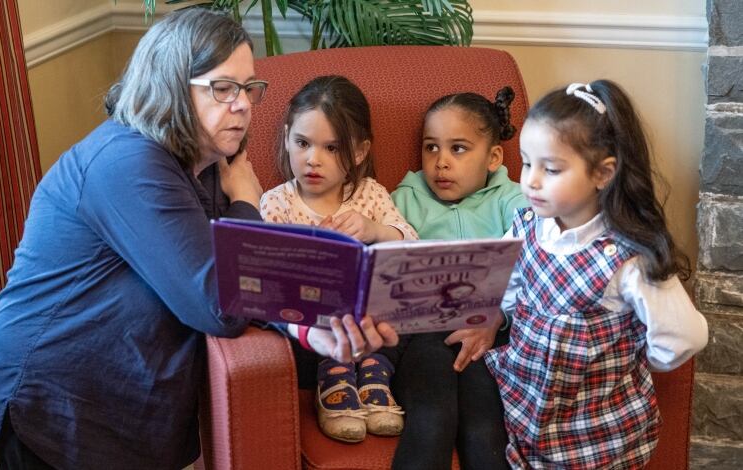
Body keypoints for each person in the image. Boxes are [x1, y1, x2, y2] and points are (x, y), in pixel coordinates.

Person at [0, 10, 395, 470]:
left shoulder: (210, 160)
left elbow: (245, 282)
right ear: (171, 84)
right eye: (222, 88)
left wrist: (311, 327)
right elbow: (220, 301)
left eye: (249, 88)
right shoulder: (128, 162)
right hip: (49, 415)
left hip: (119, 412)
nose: (243, 105)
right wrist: (247, 202)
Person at [485, 80, 709, 469]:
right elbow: (505, 286)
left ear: (603, 174)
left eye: (551, 168)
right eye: (525, 163)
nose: (531, 181)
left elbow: (685, 336)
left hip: (596, 429)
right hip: (529, 405)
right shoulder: (528, 225)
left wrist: (638, 360)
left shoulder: (626, 257)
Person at [261, 75, 417, 443]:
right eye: (302, 143)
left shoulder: (369, 195)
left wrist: (375, 230)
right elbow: (269, 279)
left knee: (408, 317)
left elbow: (410, 244)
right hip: (315, 331)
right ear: (287, 138)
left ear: (360, 152)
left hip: (373, 325)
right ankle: (336, 379)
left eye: (332, 148)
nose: (313, 159)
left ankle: (376, 375)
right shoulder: (276, 203)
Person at [388, 88, 526, 470]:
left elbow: (536, 270)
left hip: (491, 332)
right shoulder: (403, 200)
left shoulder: (514, 202)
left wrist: (498, 316)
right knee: (433, 418)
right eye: (431, 148)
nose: (441, 163)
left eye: (458, 149)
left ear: (493, 157)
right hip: (423, 335)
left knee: (484, 429)